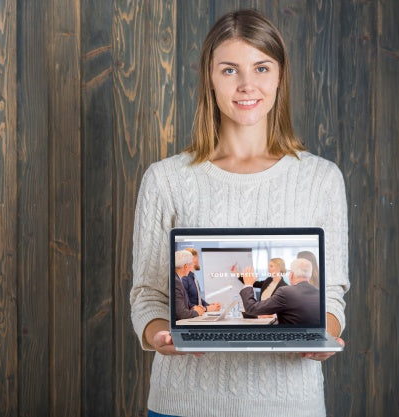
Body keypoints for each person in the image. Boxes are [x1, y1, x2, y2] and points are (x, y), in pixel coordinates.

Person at [130, 9, 349, 417]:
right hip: (184, 405)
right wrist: (162, 334)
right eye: (229, 69)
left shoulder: (321, 178)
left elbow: (331, 296)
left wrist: (321, 338)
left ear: (279, 76)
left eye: (261, 67)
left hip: (290, 405)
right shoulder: (166, 179)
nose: (247, 85)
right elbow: (148, 296)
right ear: (209, 78)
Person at [240, 258, 320, 325]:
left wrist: (248, 284)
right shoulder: (319, 294)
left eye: (271, 266)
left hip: (290, 340)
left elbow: (252, 308)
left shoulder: (285, 291)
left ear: (291, 275)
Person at [181, 248, 221, 312]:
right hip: (191, 316)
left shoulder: (193, 277)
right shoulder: (184, 278)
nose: (199, 259)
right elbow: (186, 304)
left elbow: (197, 299)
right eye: (197, 257)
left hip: (197, 314)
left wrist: (210, 305)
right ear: (193, 258)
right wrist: (207, 308)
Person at [174, 250, 205, 319]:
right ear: (185, 266)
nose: (192, 267)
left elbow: (183, 304)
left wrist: (193, 307)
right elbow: (181, 313)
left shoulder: (177, 280)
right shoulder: (176, 282)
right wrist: (197, 312)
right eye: (191, 264)